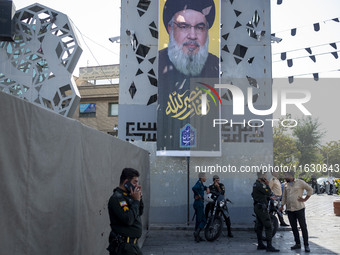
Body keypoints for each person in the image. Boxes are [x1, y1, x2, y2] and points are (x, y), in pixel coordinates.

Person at [107, 168, 144, 255]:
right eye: (135, 182)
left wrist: (139, 199)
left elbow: (139, 212)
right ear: (126, 182)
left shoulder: (129, 196)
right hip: (124, 247)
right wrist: (136, 201)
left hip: (133, 245)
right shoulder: (117, 198)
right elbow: (128, 219)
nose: (137, 185)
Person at [279, 171, 313, 253]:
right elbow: (284, 196)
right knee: (294, 228)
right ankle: (297, 244)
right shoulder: (286, 185)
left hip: (299, 208)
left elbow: (310, 190)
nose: (284, 177)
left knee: (303, 227)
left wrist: (305, 199)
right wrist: (282, 205)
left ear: (291, 176)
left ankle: (306, 245)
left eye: (286, 175)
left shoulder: (300, 182)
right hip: (290, 210)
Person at [252, 171, 280, 252]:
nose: (266, 176)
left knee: (260, 226)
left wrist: (267, 198)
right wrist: (267, 185)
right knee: (268, 226)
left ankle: (260, 244)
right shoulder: (260, 185)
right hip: (261, 208)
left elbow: (255, 195)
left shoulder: (256, 184)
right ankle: (269, 246)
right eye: (265, 175)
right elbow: (268, 192)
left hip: (258, 206)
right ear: (262, 176)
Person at [192, 172, 210, 242]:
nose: (206, 178)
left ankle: (197, 236)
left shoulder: (201, 184)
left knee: (198, 221)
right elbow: (194, 188)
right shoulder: (198, 183)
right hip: (198, 203)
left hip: (199, 203)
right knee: (203, 220)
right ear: (202, 177)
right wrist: (198, 194)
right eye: (205, 176)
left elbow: (203, 187)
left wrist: (207, 188)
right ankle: (196, 233)